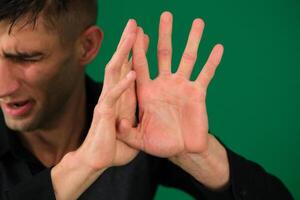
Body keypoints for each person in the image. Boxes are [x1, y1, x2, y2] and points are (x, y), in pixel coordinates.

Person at [0, 0, 293, 200]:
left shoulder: (137, 120)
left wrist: (202, 157)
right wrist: (83, 165)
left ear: (86, 47)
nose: (2, 86)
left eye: (26, 57)